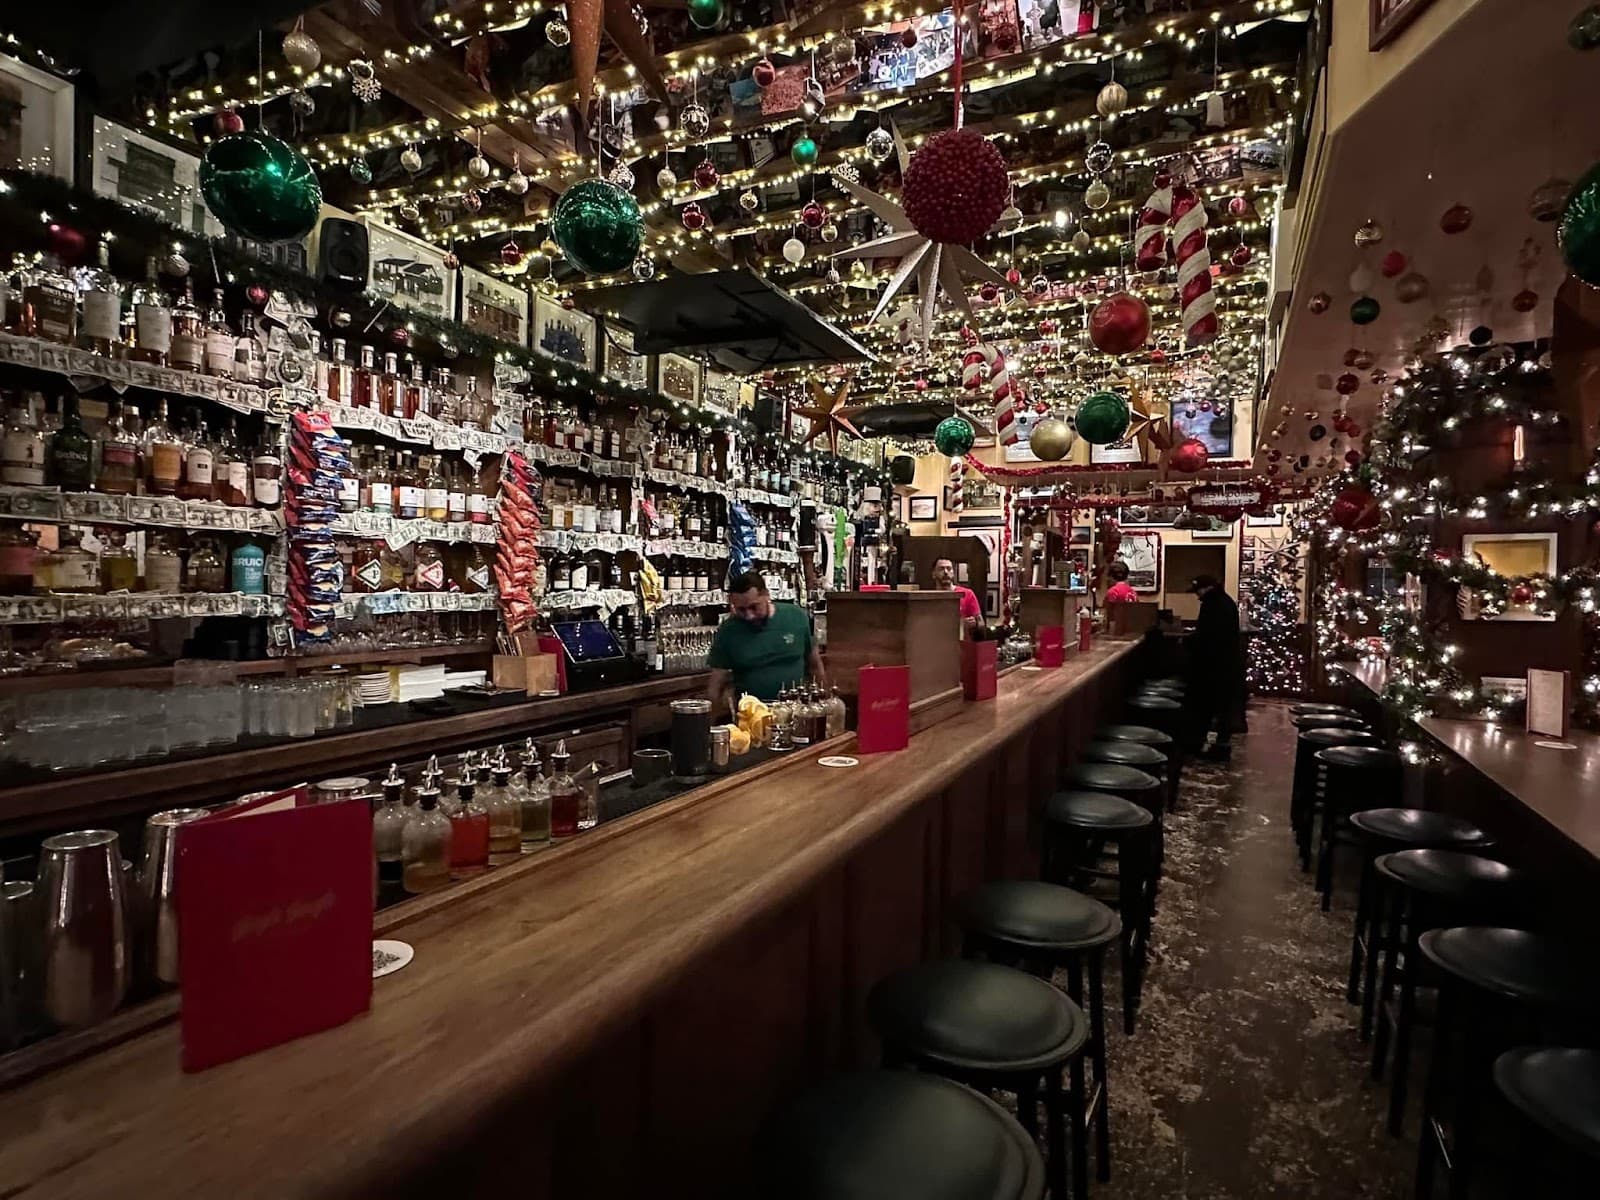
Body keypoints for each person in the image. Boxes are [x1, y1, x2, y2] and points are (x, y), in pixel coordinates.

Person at [707, 570, 825, 713]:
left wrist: (823, 705)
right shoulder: (729, 631)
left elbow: (815, 666)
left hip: (797, 712)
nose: (749, 615)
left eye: (754, 607)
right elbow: (716, 684)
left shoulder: (796, 617)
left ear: (767, 596)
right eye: (741, 610)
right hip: (752, 718)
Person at [1186, 573, 1243, 761]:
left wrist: (1189, 643)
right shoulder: (1225, 602)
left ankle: (1202, 745)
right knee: (1221, 708)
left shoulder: (1213, 605)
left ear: (1207, 588)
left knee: (1206, 706)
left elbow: (1208, 638)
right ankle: (1220, 746)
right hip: (1226, 665)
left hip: (1214, 666)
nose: (1197, 595)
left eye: (1198, 591)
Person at [930, 557, 982, 633]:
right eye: (941, 569)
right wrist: (959, 625)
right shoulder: (928, 597)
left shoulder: (967, 594)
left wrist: (975, 624)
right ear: (933, 574)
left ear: (953, 573)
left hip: (962, 642)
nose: (946, 572)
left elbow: (981, 624)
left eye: (949, 568)